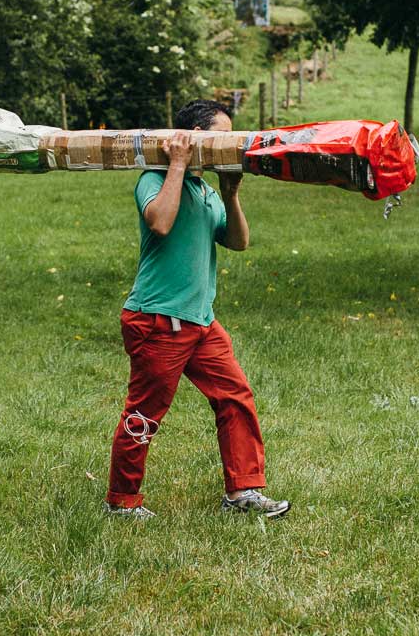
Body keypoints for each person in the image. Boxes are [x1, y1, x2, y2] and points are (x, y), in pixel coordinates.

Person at [104, 98, 290, 520]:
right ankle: (121, 500)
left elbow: (238, 241)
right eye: (221, 135)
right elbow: (161, 222)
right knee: (145, 413)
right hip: (158, 320)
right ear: (193, 138)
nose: (229, 143)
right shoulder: (152, 179)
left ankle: (242, 492)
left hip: (200, 322)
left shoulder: (207, 191)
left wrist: (231, 193)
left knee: (235, 397)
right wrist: (176, 164)